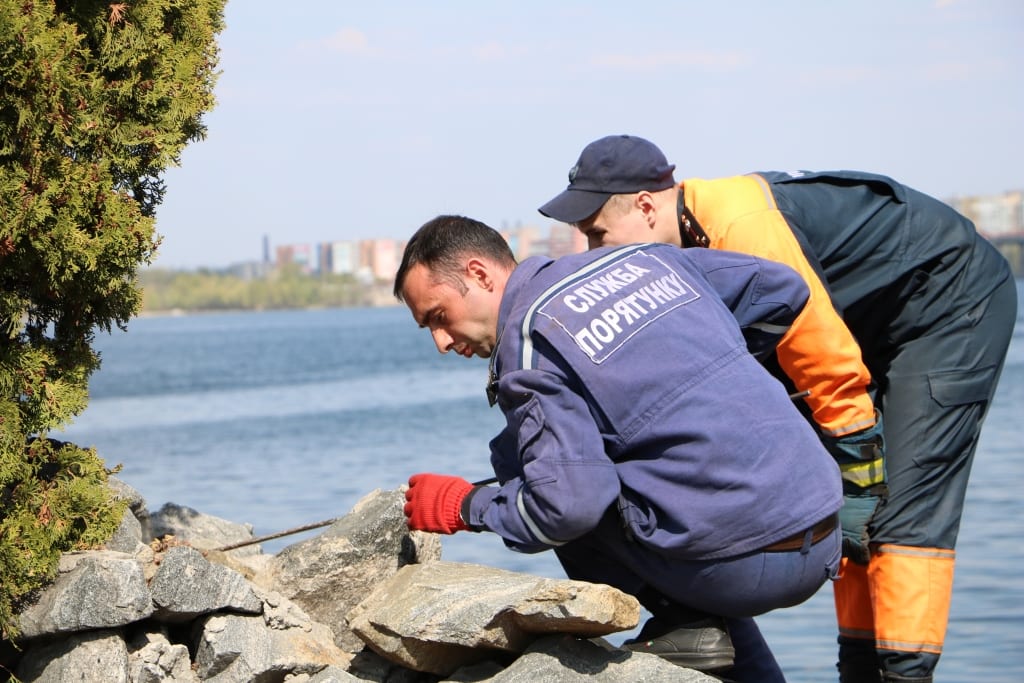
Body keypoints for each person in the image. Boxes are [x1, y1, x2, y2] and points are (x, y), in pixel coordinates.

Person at [538, 135, 1018, 683]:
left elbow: (826, 360)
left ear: (646, 206)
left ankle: (906, 675)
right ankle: (859, 670)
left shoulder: (742, 226)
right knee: (856, 515)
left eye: (598, 234)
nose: (593, 253)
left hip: (950, 306)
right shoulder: (684, 249)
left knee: (905, 509)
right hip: (869, 318)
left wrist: (858, 469)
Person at [394, 214, 843, 680]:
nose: (441, 342)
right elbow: (782, 289)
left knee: (521, 459)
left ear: (479, 274)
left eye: (438, 317)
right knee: (596, 465)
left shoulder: (529, 342)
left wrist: (466, 506)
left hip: (740, 569)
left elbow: (568, 508)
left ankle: (683, 617)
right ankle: (714, 641)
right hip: (826, 527)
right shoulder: (644, 259)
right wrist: (712, 371)